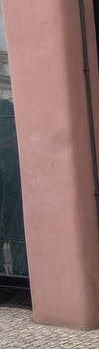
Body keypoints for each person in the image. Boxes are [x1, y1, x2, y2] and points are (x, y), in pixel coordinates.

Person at [0, 100, 27, 276]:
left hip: (14, 192)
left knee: (18, 235)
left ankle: (18, 274)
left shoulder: (6, 110)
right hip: (13, 192)